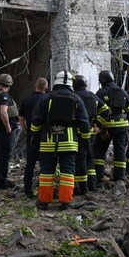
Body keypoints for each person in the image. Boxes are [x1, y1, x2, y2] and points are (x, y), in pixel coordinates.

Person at [30, 71, 90, 210]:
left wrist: (34, 136)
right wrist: (85, 141)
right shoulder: (76, 99)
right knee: (68, 172)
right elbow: (84, 123)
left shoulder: (45, 98)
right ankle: (65, 202)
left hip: (48, 141)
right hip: (69, 142)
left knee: (46, 172)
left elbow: (36, 121)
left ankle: (44, 202)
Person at [93, 69, 129, 195]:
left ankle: (98, 175)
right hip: (122, 126)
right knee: (120, 151)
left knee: (99, 151)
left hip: (107, 127)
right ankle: (120, 177)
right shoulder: (122, 91)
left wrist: (98, 125)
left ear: (101, 81)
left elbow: (96, 110)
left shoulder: (100, 93)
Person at [72, 75, 107, 194]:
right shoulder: (93, 96)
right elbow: (106, 110)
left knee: (80, 158)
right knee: (90, 157)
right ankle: (92, 184)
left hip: (77, 132)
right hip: (92, 132)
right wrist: (98, 125)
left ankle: (81, 187)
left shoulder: (74, 97)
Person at [19, 77, 49, 198]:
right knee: (45, 164)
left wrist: (27, 131)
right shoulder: (47, 99)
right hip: (45, 136)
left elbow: (21, 119)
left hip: (32, 135)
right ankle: (43, 190)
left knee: (30, 164)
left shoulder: (27, 99)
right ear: (46, 87)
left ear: (35, 85)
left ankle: (27, 190)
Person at [0, 73, 19, 190]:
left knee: (2, 155)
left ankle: (0, 179)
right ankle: (2, 181)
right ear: (9, 84)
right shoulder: (4, 96)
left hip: (0, 128)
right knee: (5, 155)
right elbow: (3, 112)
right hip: (4, 129)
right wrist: (8, 127)